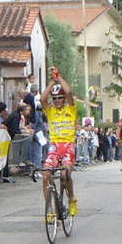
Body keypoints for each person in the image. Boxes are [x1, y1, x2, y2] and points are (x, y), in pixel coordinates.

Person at [40, 71, 78, 221]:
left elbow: (68, 92)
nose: (57, 101)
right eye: (55, 98)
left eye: (60, 98)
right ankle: (49, 210)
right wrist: (51, 82)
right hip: (54, 147)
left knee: (64, 174)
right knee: (45, 176)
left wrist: (59, 78)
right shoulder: (50, 111)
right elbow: (43, 98)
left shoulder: (70, 109)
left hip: (68, 146)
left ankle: (71, 199)